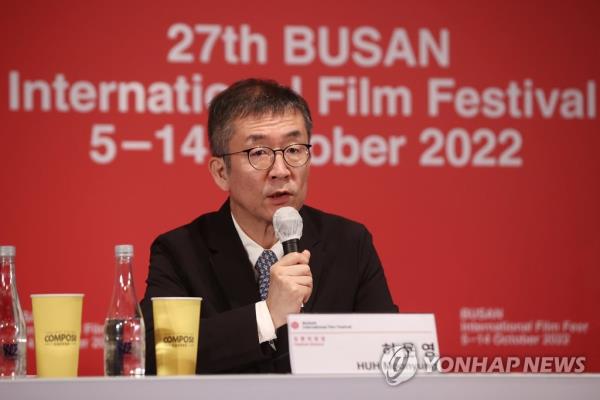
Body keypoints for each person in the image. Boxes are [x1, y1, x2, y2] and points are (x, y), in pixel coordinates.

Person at [140, 78, 397, 374]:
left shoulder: (349, 243)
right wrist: (268, 314)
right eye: (258, 153)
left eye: (294, 149)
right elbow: (156, 356)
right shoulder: (181, 252)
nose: (280, 171)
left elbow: (388, 351)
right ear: (221, 172)